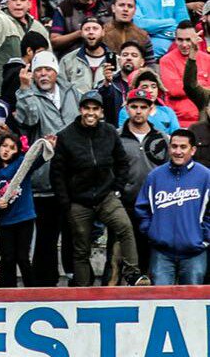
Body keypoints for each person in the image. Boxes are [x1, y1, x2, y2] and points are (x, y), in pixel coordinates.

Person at [50, 90, 150, 287]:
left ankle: (132, 273)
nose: (91, 113)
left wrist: (117, 189)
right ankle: (82, 288)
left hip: (106, 195)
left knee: (125, 227)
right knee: (81, 249)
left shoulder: (110, 132)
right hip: (78, 200)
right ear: (80, 110)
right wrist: (66, 203)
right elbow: (57, 173)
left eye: (95, 109)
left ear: (101, 112)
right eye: (87, 108)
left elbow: (122, 163)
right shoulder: (66, 136)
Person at [14, 50, 81, 286]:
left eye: (48, 70)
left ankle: (76, 278)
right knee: (46, 235)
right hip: (44, 178)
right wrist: (24, 90)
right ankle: (46, 283)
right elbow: (29, 120)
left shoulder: (72, 92)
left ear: (56, 71)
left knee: (74, 231)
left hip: (72, 176)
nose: (43, 74)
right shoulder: (27, 94)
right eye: (38, 70)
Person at [135, 129, 210, 286]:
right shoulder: (155, 176)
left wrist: (204, 238)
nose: (178, 151)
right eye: (174, 146)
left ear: (193, 149)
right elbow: (142, 208)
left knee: (191, 303)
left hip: (195, 252)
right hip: (162, 253)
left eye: (183, 147)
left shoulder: (205, 176)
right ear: (168, 148)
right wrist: (153, 233)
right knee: (160, 301)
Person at [0, 132, 52, 288]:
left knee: (23, 258)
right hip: (4, 221)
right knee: (7, 258)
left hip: (24, 218)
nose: (6, 150)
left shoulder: (21, 164)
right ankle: (8, 290)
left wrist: (49, 145)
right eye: (4, 146)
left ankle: (31, 291)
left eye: (12, 148)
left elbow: (38, 159)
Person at [118, 86, 169, 275]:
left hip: (155, 206)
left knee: (152, 255)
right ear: (127, 108)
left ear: (150, 108)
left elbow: (169, 171)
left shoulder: (162, 138)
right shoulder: (116, 137)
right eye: (134, 106)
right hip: (125, 203)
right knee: (122, 255)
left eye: (143, 106)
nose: (138, 111)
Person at [159, 21, 210, 129]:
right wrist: (200, 84)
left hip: (205, 121)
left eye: (188, 40)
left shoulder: (207, 59)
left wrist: (190, 84)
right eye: (180, 40)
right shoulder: (166, 60)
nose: (184, 44)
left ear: (197, 39)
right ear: (175, 40)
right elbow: (174, 90)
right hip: (178, 122)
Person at [116, 69, 179, 135]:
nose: (150, 90)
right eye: (145, 87)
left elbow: (176, 137)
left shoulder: (167, 112)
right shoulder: (127, 111)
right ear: (136, 89)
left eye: (154, 87)